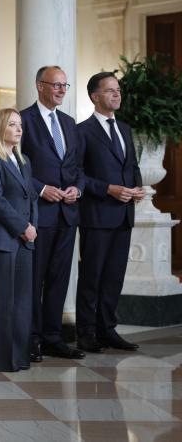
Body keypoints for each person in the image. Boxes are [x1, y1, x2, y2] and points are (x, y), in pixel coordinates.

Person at [20, 66, 86, 361]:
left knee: (59, 278)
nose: (61, 90)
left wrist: (77, 189)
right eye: (56, 85)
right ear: (40, 86)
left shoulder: (70, 123)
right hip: (39, 214)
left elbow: (78, 168)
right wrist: (40, 188)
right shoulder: (23, 120)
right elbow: (16, 168)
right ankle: (31, 339)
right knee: (35, 280)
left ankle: (52, 337)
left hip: (67, 214)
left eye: (64, 85)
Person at [75, 72, 143, 352]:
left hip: (124, 214)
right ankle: (87, 333)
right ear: (95, 96)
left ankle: (108, 330)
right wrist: (108, 189)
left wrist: (136, 188)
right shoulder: (82, 131)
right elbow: (77, 174)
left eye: (118, 90)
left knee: (114, 276)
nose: (117, 94)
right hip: (97, 215)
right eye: (110, 90)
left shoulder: (125, 129)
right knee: (92, 276)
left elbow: (132, 167)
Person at [0, 108, 38, 372]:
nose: (19, 129)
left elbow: (32, 197)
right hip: (2, 241)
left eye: (20, 125)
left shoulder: (24, 160)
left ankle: (19, 357)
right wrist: (22, 227)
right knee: (1, 302)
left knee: (22, 303)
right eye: (12, 124)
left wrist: (32, 228)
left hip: (26, 241)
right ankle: (0, 360)